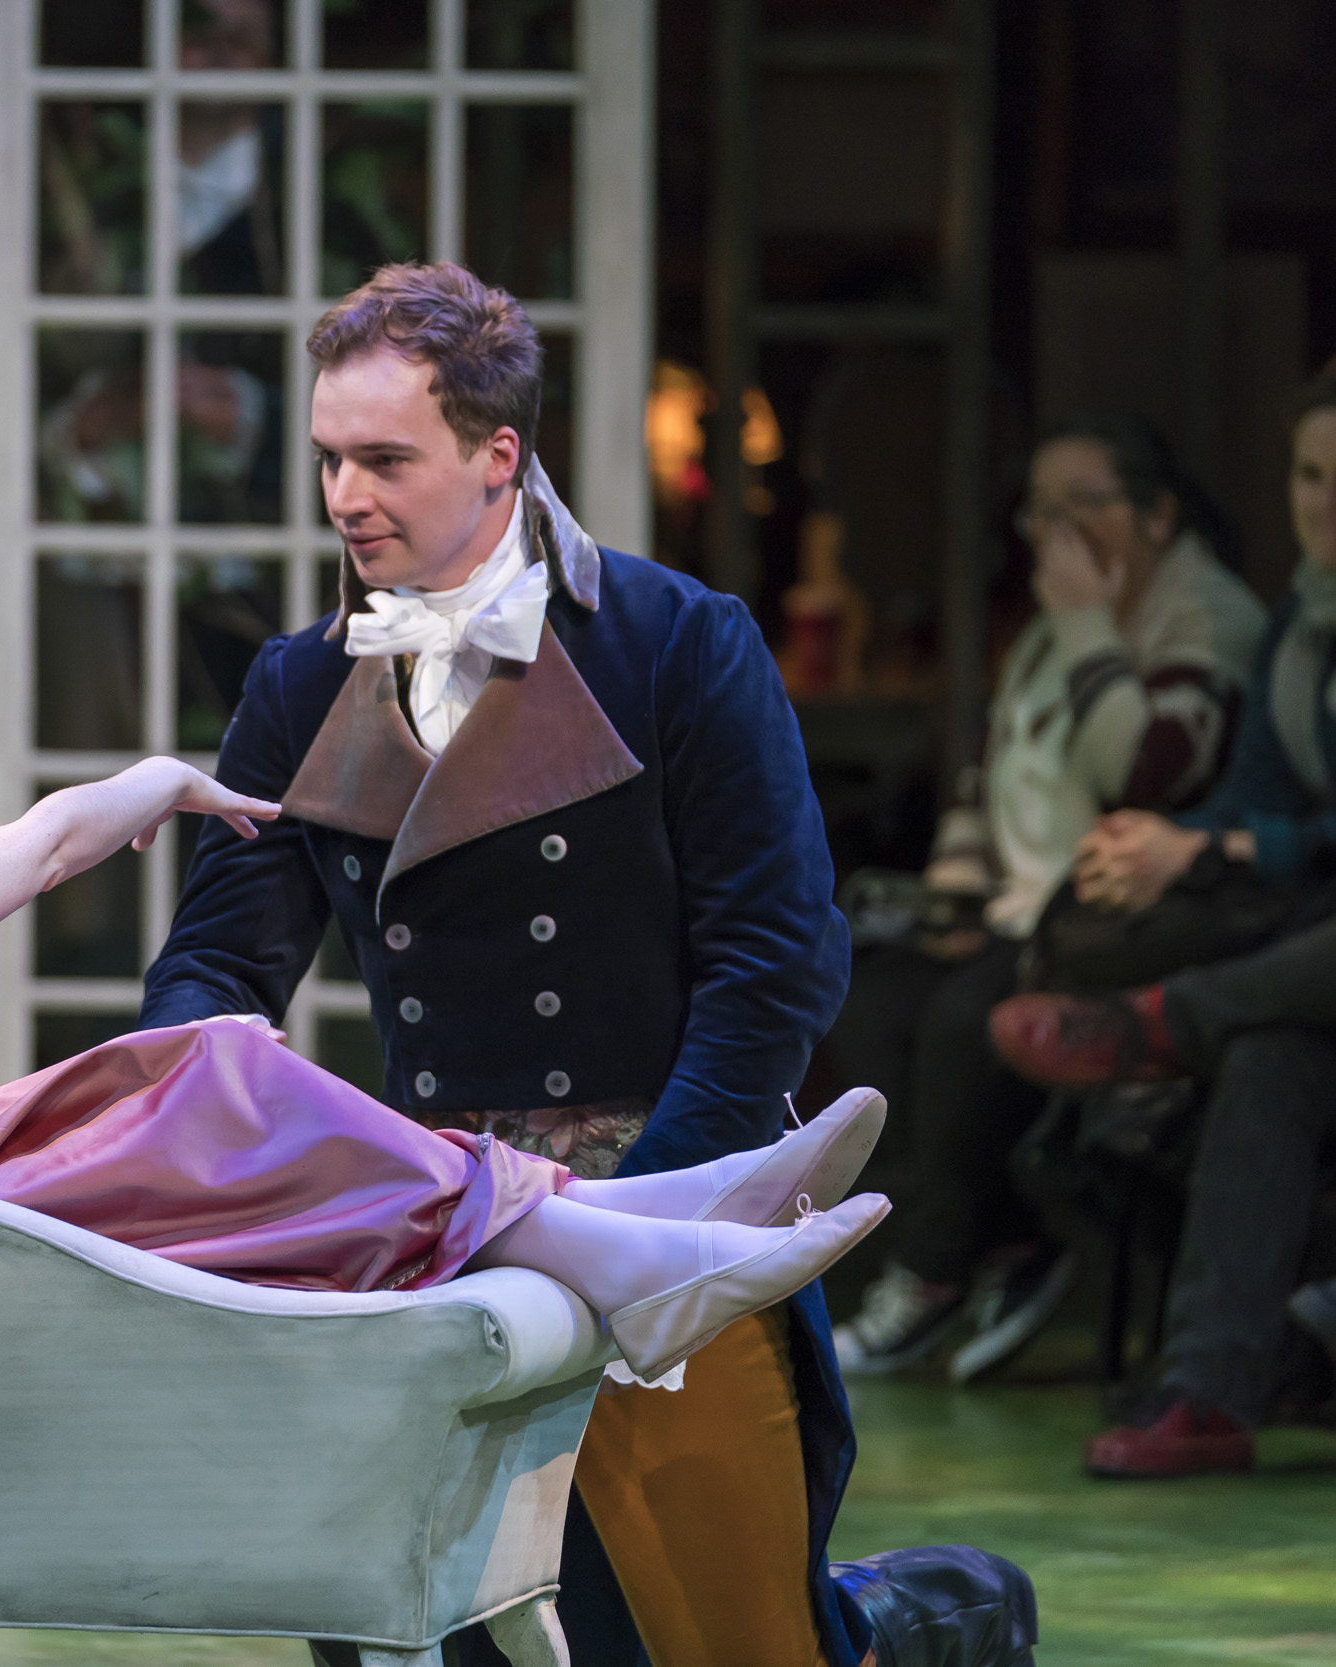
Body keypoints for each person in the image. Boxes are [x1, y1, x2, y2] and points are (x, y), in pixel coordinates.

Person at [0, 476, 890, 1397]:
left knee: (199, 1072)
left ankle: (623, 1223)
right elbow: (29, 854)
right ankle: (622, 1235)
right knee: (208, 1076)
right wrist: (159, 782)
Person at [137, 261, 935, 1667]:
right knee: (405, 1629)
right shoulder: (302, 681)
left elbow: (776, 961)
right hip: (440, 1224)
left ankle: (945, 1621)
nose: (342, 496)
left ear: (500, 455)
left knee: (731, 1637)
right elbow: (218, 960)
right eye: (329, 457)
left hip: (679, 1192)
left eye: (384, 459)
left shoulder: (675, 643)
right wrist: (216, 1122)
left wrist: (655, 1228)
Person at [828, 412, 1265, 1379]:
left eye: (1084, 509)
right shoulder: (1040, 633)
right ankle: (1010, 1236)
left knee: (960, 1021)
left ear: (1155, 515)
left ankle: (937, 1272)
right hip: (1016, 913)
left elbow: (1145, 770)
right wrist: (951, 895)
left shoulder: (1208, 617)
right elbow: (995, 779)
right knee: (864, 1004)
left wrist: (1081, 622)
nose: (1056, 537)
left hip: (1124, 921)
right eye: (1041, 515)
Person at [992, 360, 1336, 1476]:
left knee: (1238, 1007)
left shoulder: (1232, 620)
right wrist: (1178, 838)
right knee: (1271, 1052)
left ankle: (1166, 1018)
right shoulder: (1302, 625)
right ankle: (1207, 1392)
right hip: (1304, 952)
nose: (1323, 502)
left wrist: (1227, 845)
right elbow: (1254, 791)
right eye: (1308, 475)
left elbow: (1267, 827)